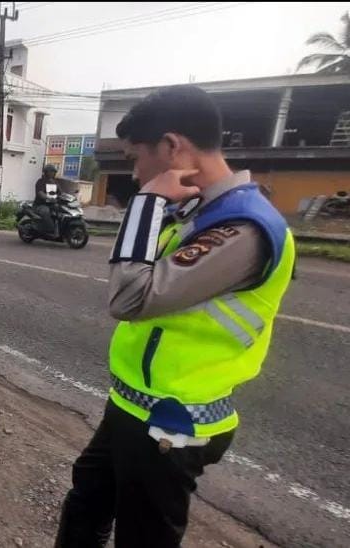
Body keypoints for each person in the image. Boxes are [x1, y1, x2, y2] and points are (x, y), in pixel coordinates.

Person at [55, 85, 296, 547]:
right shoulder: (199, 211)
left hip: (173, 422)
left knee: (143, 537)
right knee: (87, 502)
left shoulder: (243, 227)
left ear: (171, 147)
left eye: (134, 158)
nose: (135, 172)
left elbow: (129, 298)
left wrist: (146, 201)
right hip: (134, 402)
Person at [34, 165, 58, 234]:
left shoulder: (55, 182)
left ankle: (59, 228)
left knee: (61, 210)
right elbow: (40, 193)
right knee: (45, 211)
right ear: (46, 172)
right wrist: (48, 198)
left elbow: (60, 192)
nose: (53, 173)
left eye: (54, 172)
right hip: (40, 205)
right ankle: (49, 229)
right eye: (51, 172)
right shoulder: (40, 181)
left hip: (52, 204)